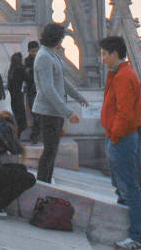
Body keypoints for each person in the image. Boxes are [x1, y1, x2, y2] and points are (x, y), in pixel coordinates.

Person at [99, 36, 141, 250]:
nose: (102, 59)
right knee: (121, 183)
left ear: (114, 54)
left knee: (129, 185)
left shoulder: (124, 76)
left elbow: (124, 112)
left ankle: (136, 236)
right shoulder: (118, 74)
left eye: (104, 54)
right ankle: (125, 215)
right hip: (116, 135)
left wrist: (115, 135)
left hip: (122, 137)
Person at [32, 22, 89, 184]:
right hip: (48, 111)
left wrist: (78, 97)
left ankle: (46, 182)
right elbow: (48, 89)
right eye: (61, 38)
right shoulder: (43, 57)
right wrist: (68, 112)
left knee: (52, 150)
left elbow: (61, 80)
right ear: (55, 38)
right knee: (49, 151)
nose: (62, 41)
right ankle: (43, 184)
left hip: (54, 111)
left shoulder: (51, 54)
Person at [7, 52, 28, 135]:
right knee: (20, 113)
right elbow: (27, 78)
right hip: (18, 94)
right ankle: (20, 129)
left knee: (16, 113)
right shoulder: (20, 68)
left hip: (11, 94)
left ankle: (17, 130)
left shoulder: (11, 69)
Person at [24, 41, 40, 141]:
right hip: (31, 90)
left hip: (41, 90)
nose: (34, 53)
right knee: (35, 113)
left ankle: (35, 135)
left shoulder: (42, 59)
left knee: (39, 114)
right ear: (29, 51)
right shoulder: (26, 61)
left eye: (36, 51)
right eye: (32, 51)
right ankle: (35, 135)